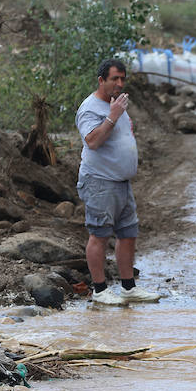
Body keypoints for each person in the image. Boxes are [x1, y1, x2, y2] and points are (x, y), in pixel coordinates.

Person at [75, 58, 160, 305]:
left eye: (123, 79)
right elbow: (92, 141)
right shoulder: (90, 108)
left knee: (128, 233)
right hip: (100, 181)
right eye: (115, 79)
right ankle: (100, 290)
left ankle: (128, 287)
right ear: (101, 80)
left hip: (122, 182)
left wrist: (116, 113)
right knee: (99, 234)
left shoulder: (117, 104)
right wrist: (112, 116)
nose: (120, 83)